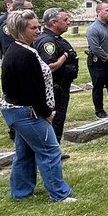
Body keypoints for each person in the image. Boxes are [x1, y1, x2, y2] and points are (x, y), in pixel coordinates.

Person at [0, 10, 76, 203]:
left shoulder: (19, 49)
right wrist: (46, 112)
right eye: (33, 28)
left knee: (25, 153)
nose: (38, 31)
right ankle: (59, 194)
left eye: (38, 27)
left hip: (17, 110)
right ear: (20, 30)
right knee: (50, 151)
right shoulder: (23, 54)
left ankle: (21, 192)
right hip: (27, 112)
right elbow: (31, 90)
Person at [35, 8, 81, 139]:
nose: (69, 22)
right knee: (55, 122)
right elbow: (49, 67)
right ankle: (53, 148)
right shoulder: (48, 42)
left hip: (61, 86)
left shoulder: (55, 39)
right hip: (55, 88)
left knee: (58, 122)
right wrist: (65, 56)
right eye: (65, 20)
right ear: (54, 22)